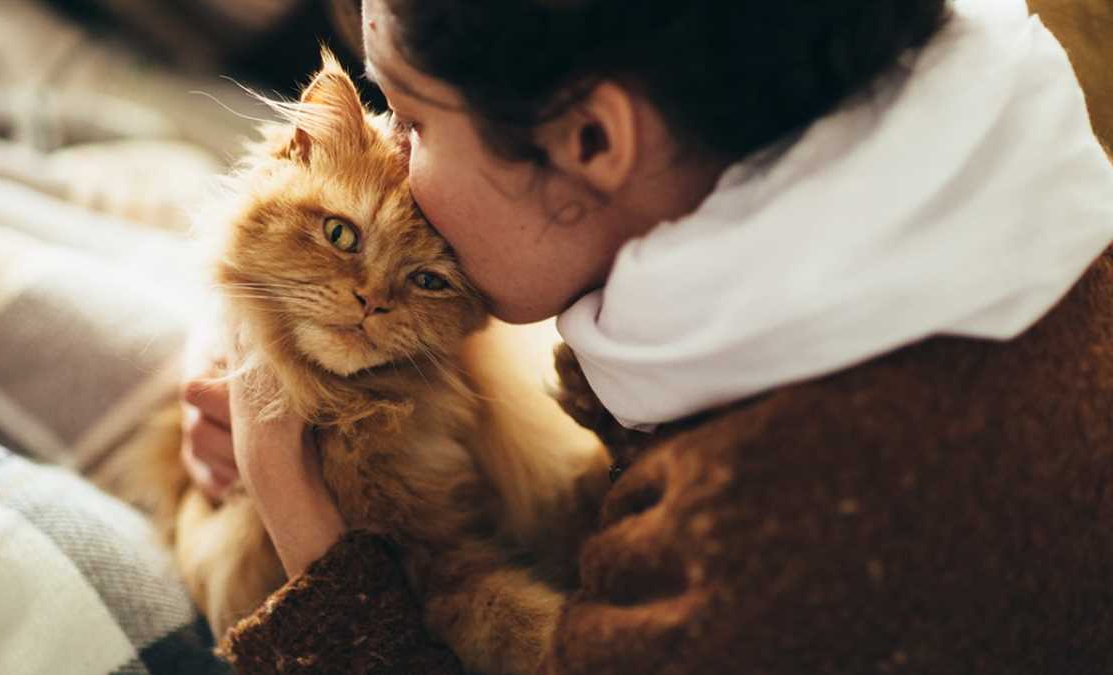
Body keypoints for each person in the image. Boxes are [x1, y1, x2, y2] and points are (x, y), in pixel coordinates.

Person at [182, 0, 1113, 672]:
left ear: (592, 141)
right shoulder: (963, 157)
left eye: (415, 122)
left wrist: (291, 496)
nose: (397, 159)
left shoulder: (748, 546)